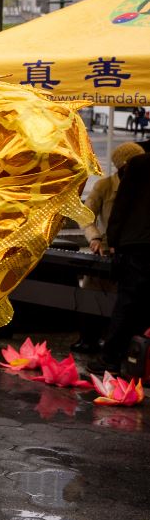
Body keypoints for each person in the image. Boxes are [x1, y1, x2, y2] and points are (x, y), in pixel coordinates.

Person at [74, 143, 144, 354]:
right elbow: (85, 215)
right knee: (93, 296)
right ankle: (88, 338)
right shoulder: (104, 186)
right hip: (105, 250)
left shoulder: (143, 187)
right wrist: (94, 238)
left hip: (132, 253)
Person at [96, 150, 150, 375]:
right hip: (138, 243)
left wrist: (112, 241)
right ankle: (139, 361)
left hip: (136, 244)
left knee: (127, 303)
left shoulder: (139, 164)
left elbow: (122, 204)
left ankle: (111, 359)